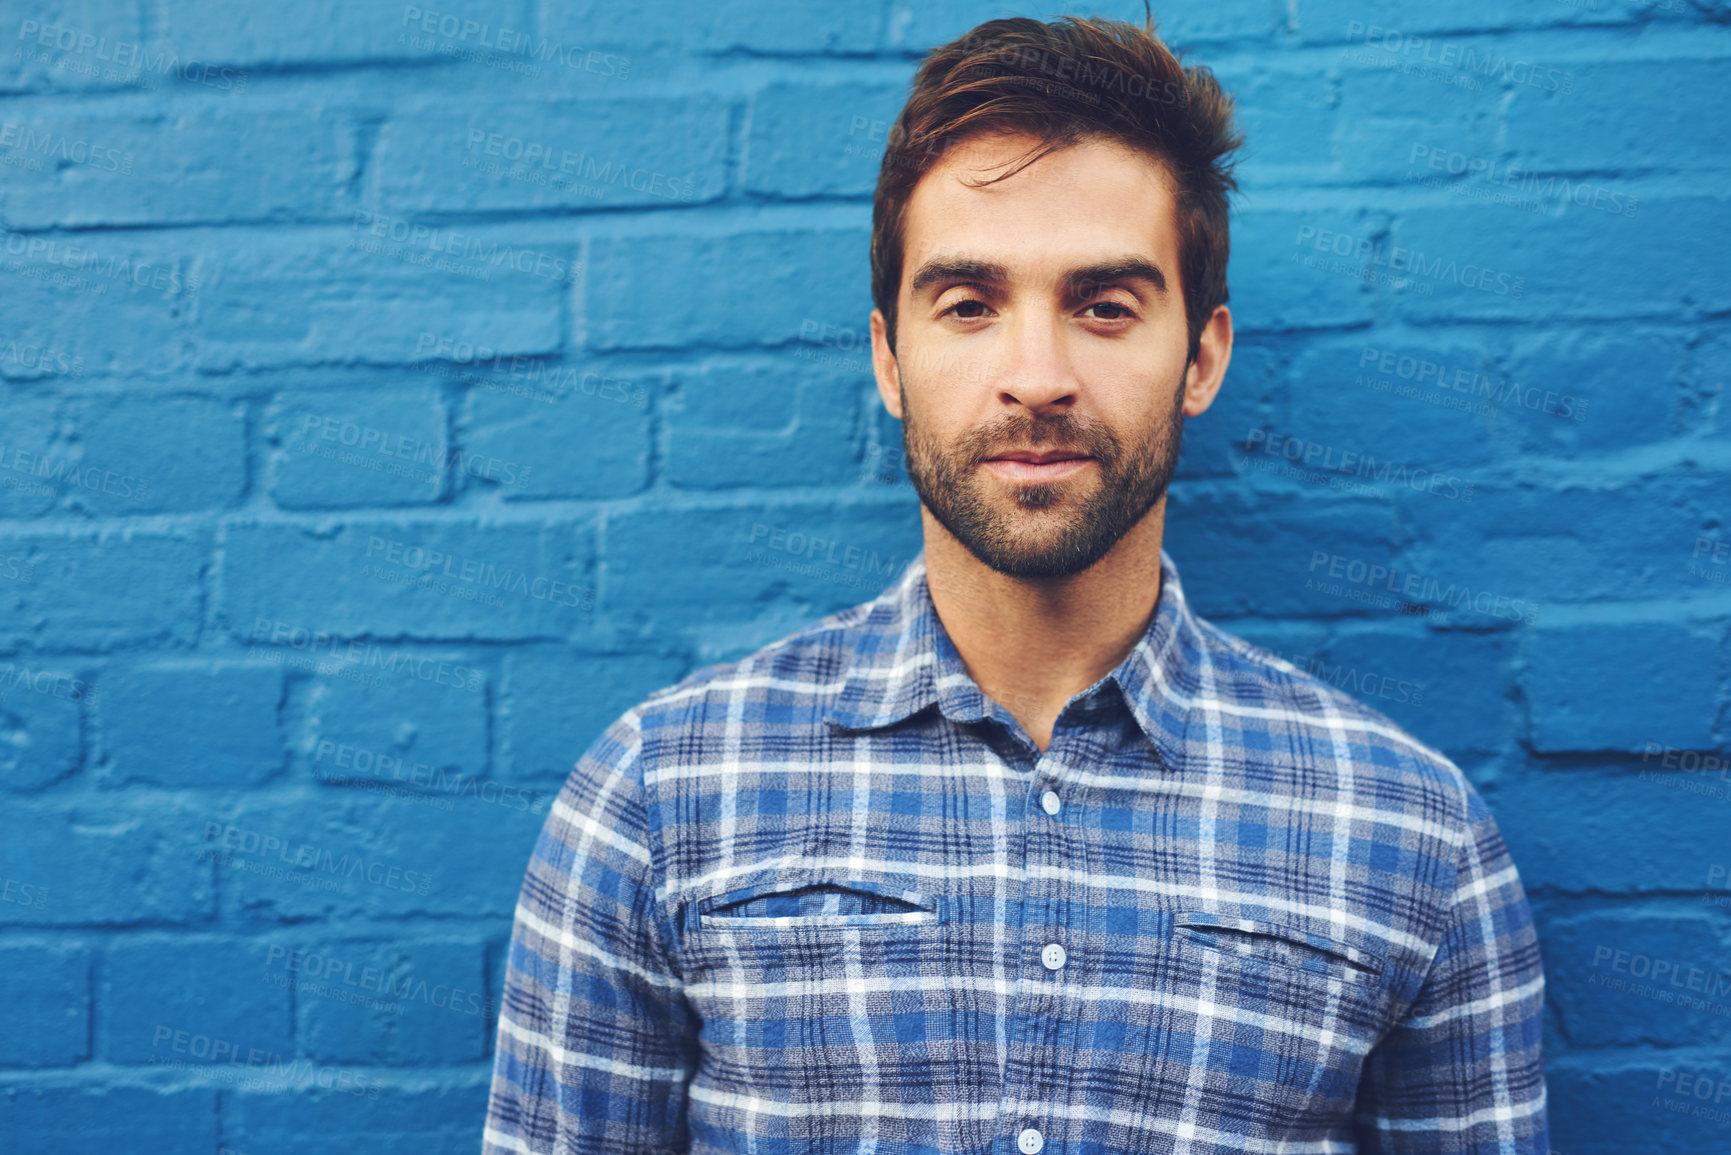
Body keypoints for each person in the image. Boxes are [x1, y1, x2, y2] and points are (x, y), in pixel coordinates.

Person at [483, 14, 1547, 1153]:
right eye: (970, 304)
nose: (1035, 378)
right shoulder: (661, 799)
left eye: (1104, 306)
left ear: (1202, 358)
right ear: (891, 359)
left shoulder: (1409, 835)